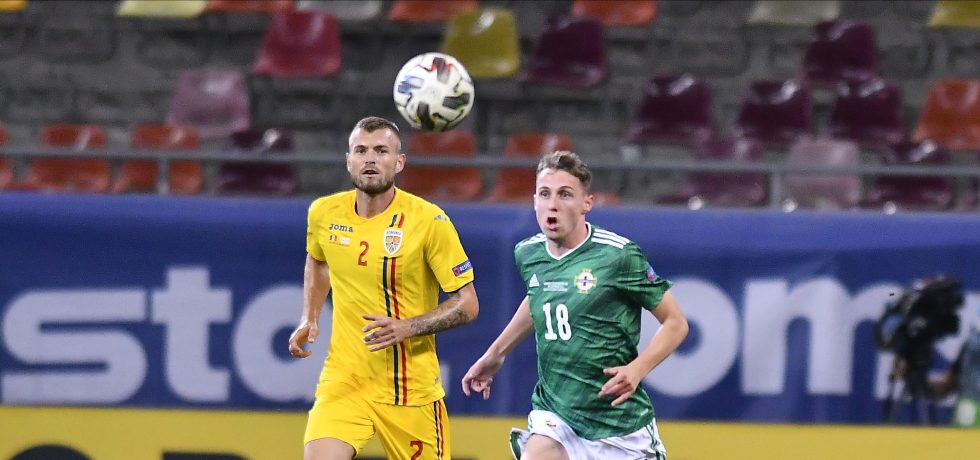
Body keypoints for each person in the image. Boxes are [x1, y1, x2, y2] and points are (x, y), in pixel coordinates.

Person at [461, 151, 689, 460]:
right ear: (534, 201)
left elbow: (676, 322)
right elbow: (539, 297)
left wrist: (637, 369)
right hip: (556, 415)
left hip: (618, 425)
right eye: (545, 194)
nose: (552, 204)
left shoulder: (618, 256)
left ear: (587, 203)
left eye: (565, 194)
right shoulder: (528, 253)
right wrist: (495, 353)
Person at [289, 116, 480, 460]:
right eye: (361, 150)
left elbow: (468, 304)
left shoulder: (429, 221)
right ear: (348, 160)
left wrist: (407, 327)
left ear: (399, 162)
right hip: (345, 380)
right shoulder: (323, 213)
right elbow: (318, 260)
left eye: (381, 151)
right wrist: (310, 316)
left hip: (410, 390)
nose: (370, 159)